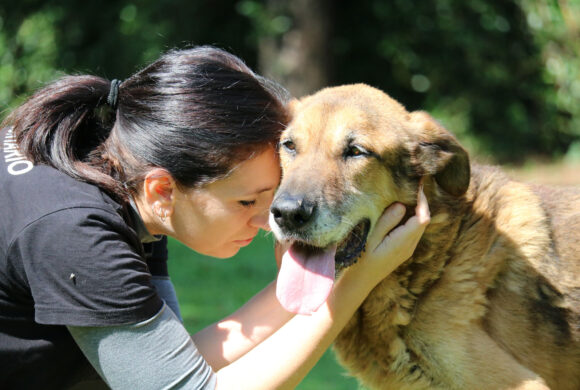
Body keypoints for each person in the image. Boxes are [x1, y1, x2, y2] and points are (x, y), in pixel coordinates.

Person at [0, 46, 430, 389]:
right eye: (248, 203)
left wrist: (296, 289)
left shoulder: (121, 172)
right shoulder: (74, 231)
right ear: (163, 190)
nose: (268, 223)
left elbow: (164, 366)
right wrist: (354, 284)